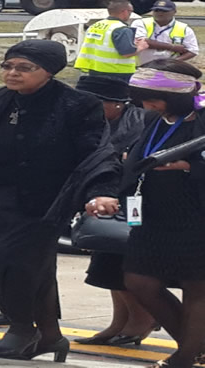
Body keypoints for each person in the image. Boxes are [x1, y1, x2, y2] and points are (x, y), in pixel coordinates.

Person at [0, 39, 121, 362]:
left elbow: (96, 153)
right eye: (8, 66)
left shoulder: (77, 105)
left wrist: (100, 192)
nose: (13, 74)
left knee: (17, 263)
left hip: (45, 202)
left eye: (25, 68)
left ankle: (21, 326)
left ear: (49, 72)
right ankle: (50, 335)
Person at [121, 59, 205, 368]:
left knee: (197, 285)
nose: (147, 104)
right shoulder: (151, 118)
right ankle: (194, 345)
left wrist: (190, 166)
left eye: (154, 98)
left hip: (196, 213)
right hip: (153, 212)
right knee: (139, 280)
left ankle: (184, 359)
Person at [73, 76, 159, 347]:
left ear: (118, 104)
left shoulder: (140, 123)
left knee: (128, 265)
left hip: (135, 201)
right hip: (106, 201)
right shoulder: (91, 124)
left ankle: (141, 320)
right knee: (107, 264)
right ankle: (118, 322)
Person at [74, 0, 148, 82]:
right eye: (130, 11)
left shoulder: (95, 25)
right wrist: (141, 46)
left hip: (95, 69)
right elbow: (127, 53)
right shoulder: (122, 29)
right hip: (117, 72)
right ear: (125, 11)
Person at [130, 0, 198, 65]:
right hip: (141, 66)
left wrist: (172, 62)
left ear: (174, 12)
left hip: (168, 69)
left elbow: (193, 50)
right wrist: (172, 47)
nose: (160, 13)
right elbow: (142, 42)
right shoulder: (141, 23)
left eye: (164, 11)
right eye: (156, 10)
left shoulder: (184, 29)